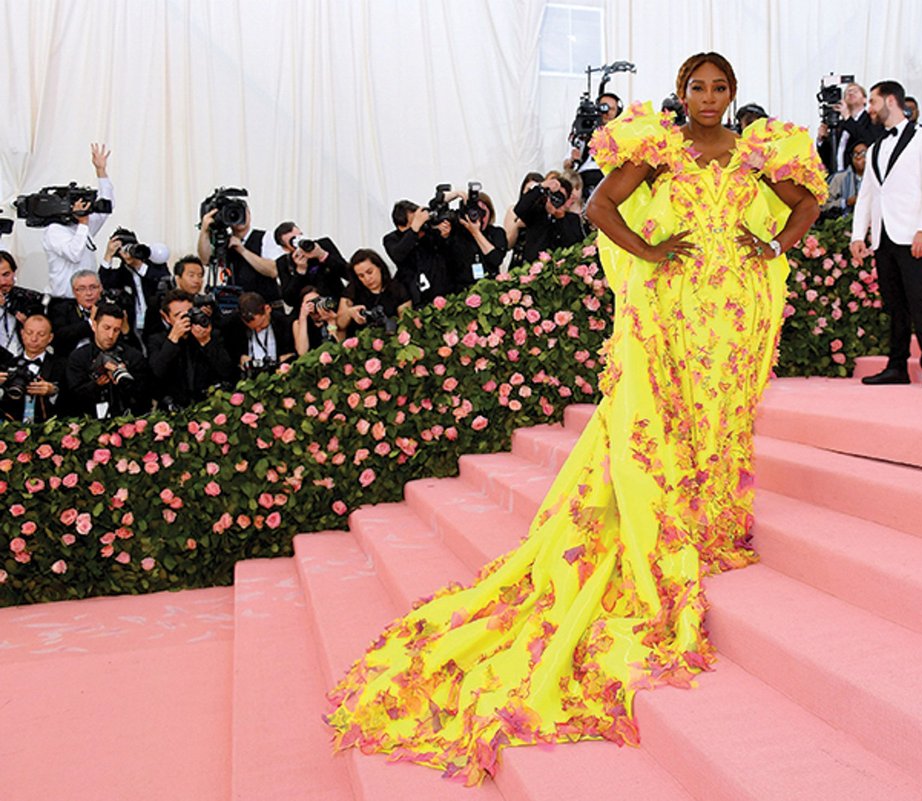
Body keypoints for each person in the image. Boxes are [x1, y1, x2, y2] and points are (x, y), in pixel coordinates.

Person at [325, 51, 826, 785]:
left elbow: (807, 200)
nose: (709, 98)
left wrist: (775, 244)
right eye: (697, 87)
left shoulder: (757, 151)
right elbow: (600, 207)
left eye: (720, 88)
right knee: (671, 418)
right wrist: (651, 251)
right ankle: (676, 520)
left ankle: (714, 521)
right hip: (674, 307)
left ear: (735, 94)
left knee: (726, 417)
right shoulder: (658, 146)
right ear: (681, 92)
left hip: (737, 308)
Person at [851, 80, 922, 389]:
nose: (870, 109)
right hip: (883, 236)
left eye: (873, 103)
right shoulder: (876, 147)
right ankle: (897, 366)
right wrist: (857, 236)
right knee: (894, 305)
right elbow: (866, 195)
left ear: (890, 101)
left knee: (920, 302)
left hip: (914, 233)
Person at [41, 144, 114, 312]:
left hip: (90, 301)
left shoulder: (84, 225)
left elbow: (106, 208)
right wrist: (82, 223)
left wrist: (101, 172)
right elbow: (74, 254)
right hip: (64, 302)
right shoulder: (54, 230)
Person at [146, 288, 237, 410]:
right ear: (166, 318)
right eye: (178, 315)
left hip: (207, 406)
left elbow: (227, 371)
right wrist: (173, 339)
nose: (186, 319)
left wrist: (205, 341)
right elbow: (156, 373)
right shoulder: (157, 340)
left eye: (189, 312)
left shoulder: (212, 335)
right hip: (173, 409)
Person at [64, 302, 150, 419]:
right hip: (87, 423)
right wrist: (96, 383)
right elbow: (71, 398)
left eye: (116, 330)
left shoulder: (133, 356)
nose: (110, 335)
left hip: (126, 422)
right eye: (106, 328)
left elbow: (143, 396)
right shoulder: (78, 357)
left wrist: (124, 380)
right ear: (94, 325)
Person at [196, 197, 284, 303]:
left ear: (249, 214)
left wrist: (242, 250)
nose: (238, 216)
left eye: (242, 212)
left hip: (265, 306)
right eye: (232, 212)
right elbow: (205, 260)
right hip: (235, 306)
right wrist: (204, 231)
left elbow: (273, 270)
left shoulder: (266, 237)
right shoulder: (224, 240)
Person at [382, 200, 453, 306]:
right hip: (414, 297)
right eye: (415, 221)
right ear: (402, 227)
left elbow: (447, 253)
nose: (420, 224)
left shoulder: (429, 232)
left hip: (441, 294)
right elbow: (398, 255)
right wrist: (414, 230)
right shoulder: (391, 239)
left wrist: (444, 235)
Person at [0, 314, 64, 423]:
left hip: (50, 429)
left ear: (50, 338)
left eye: (41, 334)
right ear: (22, 334)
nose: (34, 339)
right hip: (11, 428)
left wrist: (53, 391)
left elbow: (73, 399)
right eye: (29, 333)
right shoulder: (7, 365)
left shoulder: (62, 365)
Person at [512, 172, 586, 265]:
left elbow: (574, 243)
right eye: (555, 195)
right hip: (533, 268)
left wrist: (560, 217)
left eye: (561, 197)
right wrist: (541, 187)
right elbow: (519, 209)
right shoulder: (537, 212)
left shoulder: (572, 219)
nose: (556, 200)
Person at [337, 248, 411, 337]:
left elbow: (406, 323)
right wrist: (349, 313)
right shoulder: (352, 290)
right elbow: (340, 325)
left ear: (379, 267)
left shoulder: (397, 289)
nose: (367, 279)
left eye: (370, 272)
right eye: (361, 276)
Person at [272, 221, 348, 308]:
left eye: (300, 236)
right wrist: (300, 272)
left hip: (334, 303)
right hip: (308, 310)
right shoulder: (284, 262)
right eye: (293, 241)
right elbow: (289, 299)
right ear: (286, 248)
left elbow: (347, 274)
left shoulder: (323, 245)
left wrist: (323, 256)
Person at [444, 189, 508, 291]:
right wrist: (455, 195)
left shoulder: (497, 233)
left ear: (490, 212)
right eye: (475, 213)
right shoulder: (456, 232)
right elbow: (432, 212)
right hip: (460, 291)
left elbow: (495, 259)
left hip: (489, 290)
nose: (479, 218)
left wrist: (476, 232)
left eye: (483, 213)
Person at [222, 292, 296, 374]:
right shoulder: (233, 325)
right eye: (252, 328)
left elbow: (292, 353)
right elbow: (229, 352)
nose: (258, 330)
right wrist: (240, 358)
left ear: (267, 309)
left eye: (261, 325)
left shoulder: (283, 324)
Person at [48, 270, 103, 356]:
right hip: (68, 361)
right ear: (74, 292)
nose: (88, 293)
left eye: (93, 287)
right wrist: (90, 323)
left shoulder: (107, 309)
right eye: (82, 289)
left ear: (100, 289)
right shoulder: (62, 309)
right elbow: (59, 336)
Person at [502, 172, 544, 260]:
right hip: (519, 259)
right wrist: (516, 225)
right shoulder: (513, 211)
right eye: (529, 191)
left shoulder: (544, 214)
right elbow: (508, 245)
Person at [292, 285, 341, 357]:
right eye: (310, 303)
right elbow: (302, 352)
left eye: (317, 300)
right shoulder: (298, 324)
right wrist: (303, 317)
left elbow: (336, 347)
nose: (314, 305)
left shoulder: (329, 317)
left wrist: (331, 322)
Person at [822, 141, 868, 217]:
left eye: (864, 153)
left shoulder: (877, 179)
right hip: (843, 223)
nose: (858, 157)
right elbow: (824, 205)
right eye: (855, 154)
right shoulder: (839, 178)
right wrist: (846, 202)